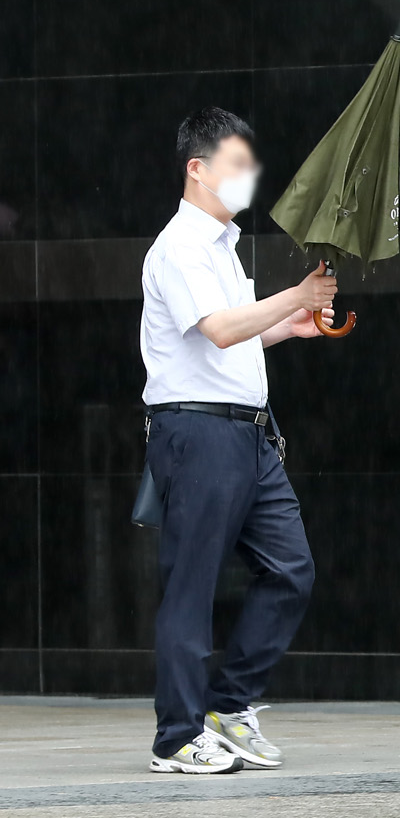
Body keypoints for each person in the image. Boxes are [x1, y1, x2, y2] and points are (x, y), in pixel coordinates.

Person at [141, 108, 340, 774]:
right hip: (196, 431)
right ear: (197, 169)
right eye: (237, 167)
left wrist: (292, 327)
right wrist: (295, 297)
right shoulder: (179, 247)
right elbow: (221, 330)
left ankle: (228, 706)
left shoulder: (222, 248)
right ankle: (176, 735)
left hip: (248, 435)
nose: (248, 180)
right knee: (191, 585)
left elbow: (239, 334)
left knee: (292, 569)